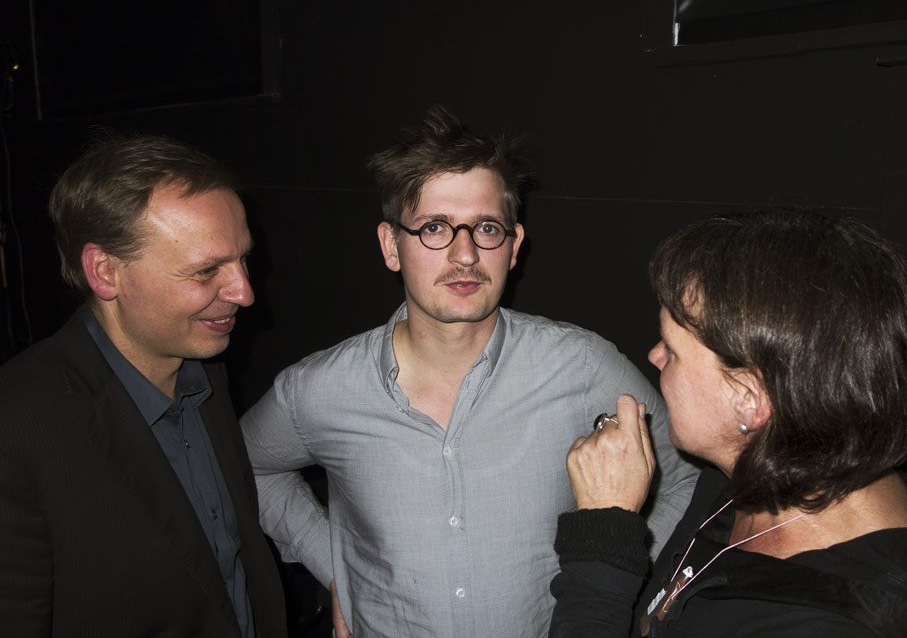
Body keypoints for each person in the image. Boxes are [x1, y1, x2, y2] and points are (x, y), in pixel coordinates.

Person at [240, 106, 698, 637]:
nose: (465, 254)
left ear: (514, 247)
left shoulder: (580, 365)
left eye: (486, 228)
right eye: (434, 227)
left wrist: (626, 588)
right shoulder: (318, 390)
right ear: (391, 245)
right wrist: (335, 568)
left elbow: (684, 475)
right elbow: (248, 467)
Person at [549, 209, 907, 636]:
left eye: (672, 349)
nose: (654, 356)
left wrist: (602, 539)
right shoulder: (778, 467)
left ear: (749, 400)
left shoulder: (828, 625)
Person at [0, 135, 286, 637]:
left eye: (243, 259)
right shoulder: (18, 424)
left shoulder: (204, 368)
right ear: (105, 272)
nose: (244, 292)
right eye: (206, 270)